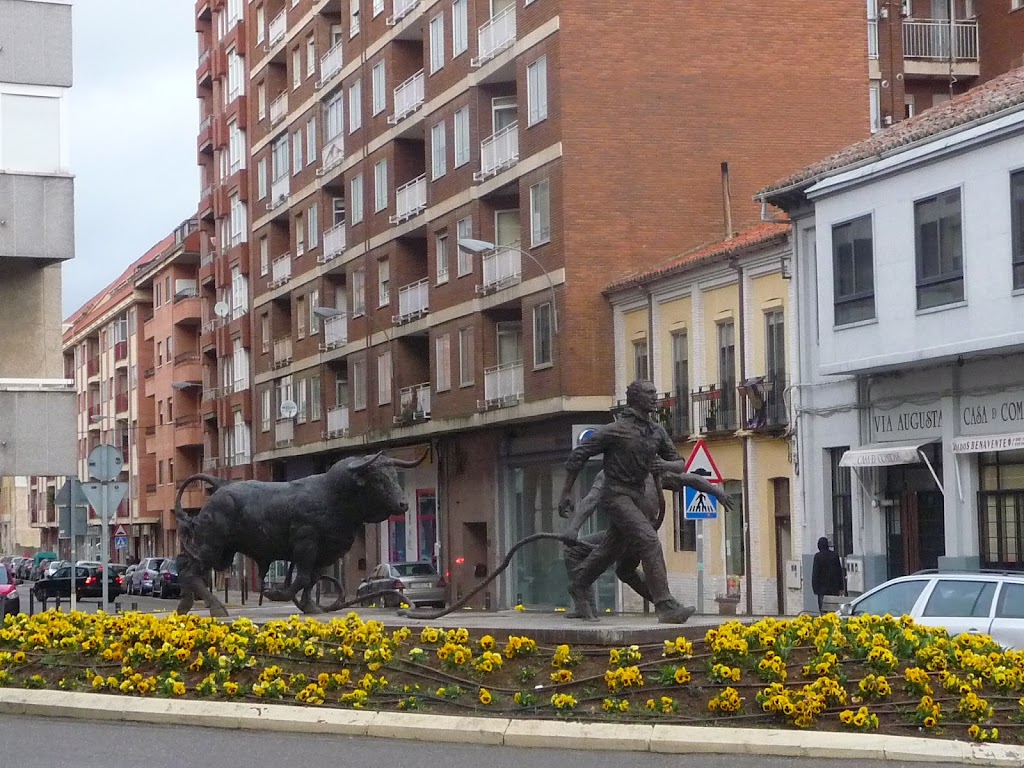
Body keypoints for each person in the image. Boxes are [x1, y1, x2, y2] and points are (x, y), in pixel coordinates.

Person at [558, 379, 698, 624]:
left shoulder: (657, 432)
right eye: (649, 393)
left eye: (655, 393)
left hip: (635, 497)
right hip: (615, 495)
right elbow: (579, 453)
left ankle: (579, 583)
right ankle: (665, 606)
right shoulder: (616, 430)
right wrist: (566, 492)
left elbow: (680, 462)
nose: (655, 397)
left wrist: (665, 465)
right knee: (649, 540)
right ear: (635, 398)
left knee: (608, 551)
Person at [811, 536, 846, 614]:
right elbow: (839, 572)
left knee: (823, 610)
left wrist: (815, 588)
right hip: (834, 588)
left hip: (821, 589)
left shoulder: (817, 556)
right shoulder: (834, 555)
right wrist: (841, 587)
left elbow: (815, 573)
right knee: (834, 610)